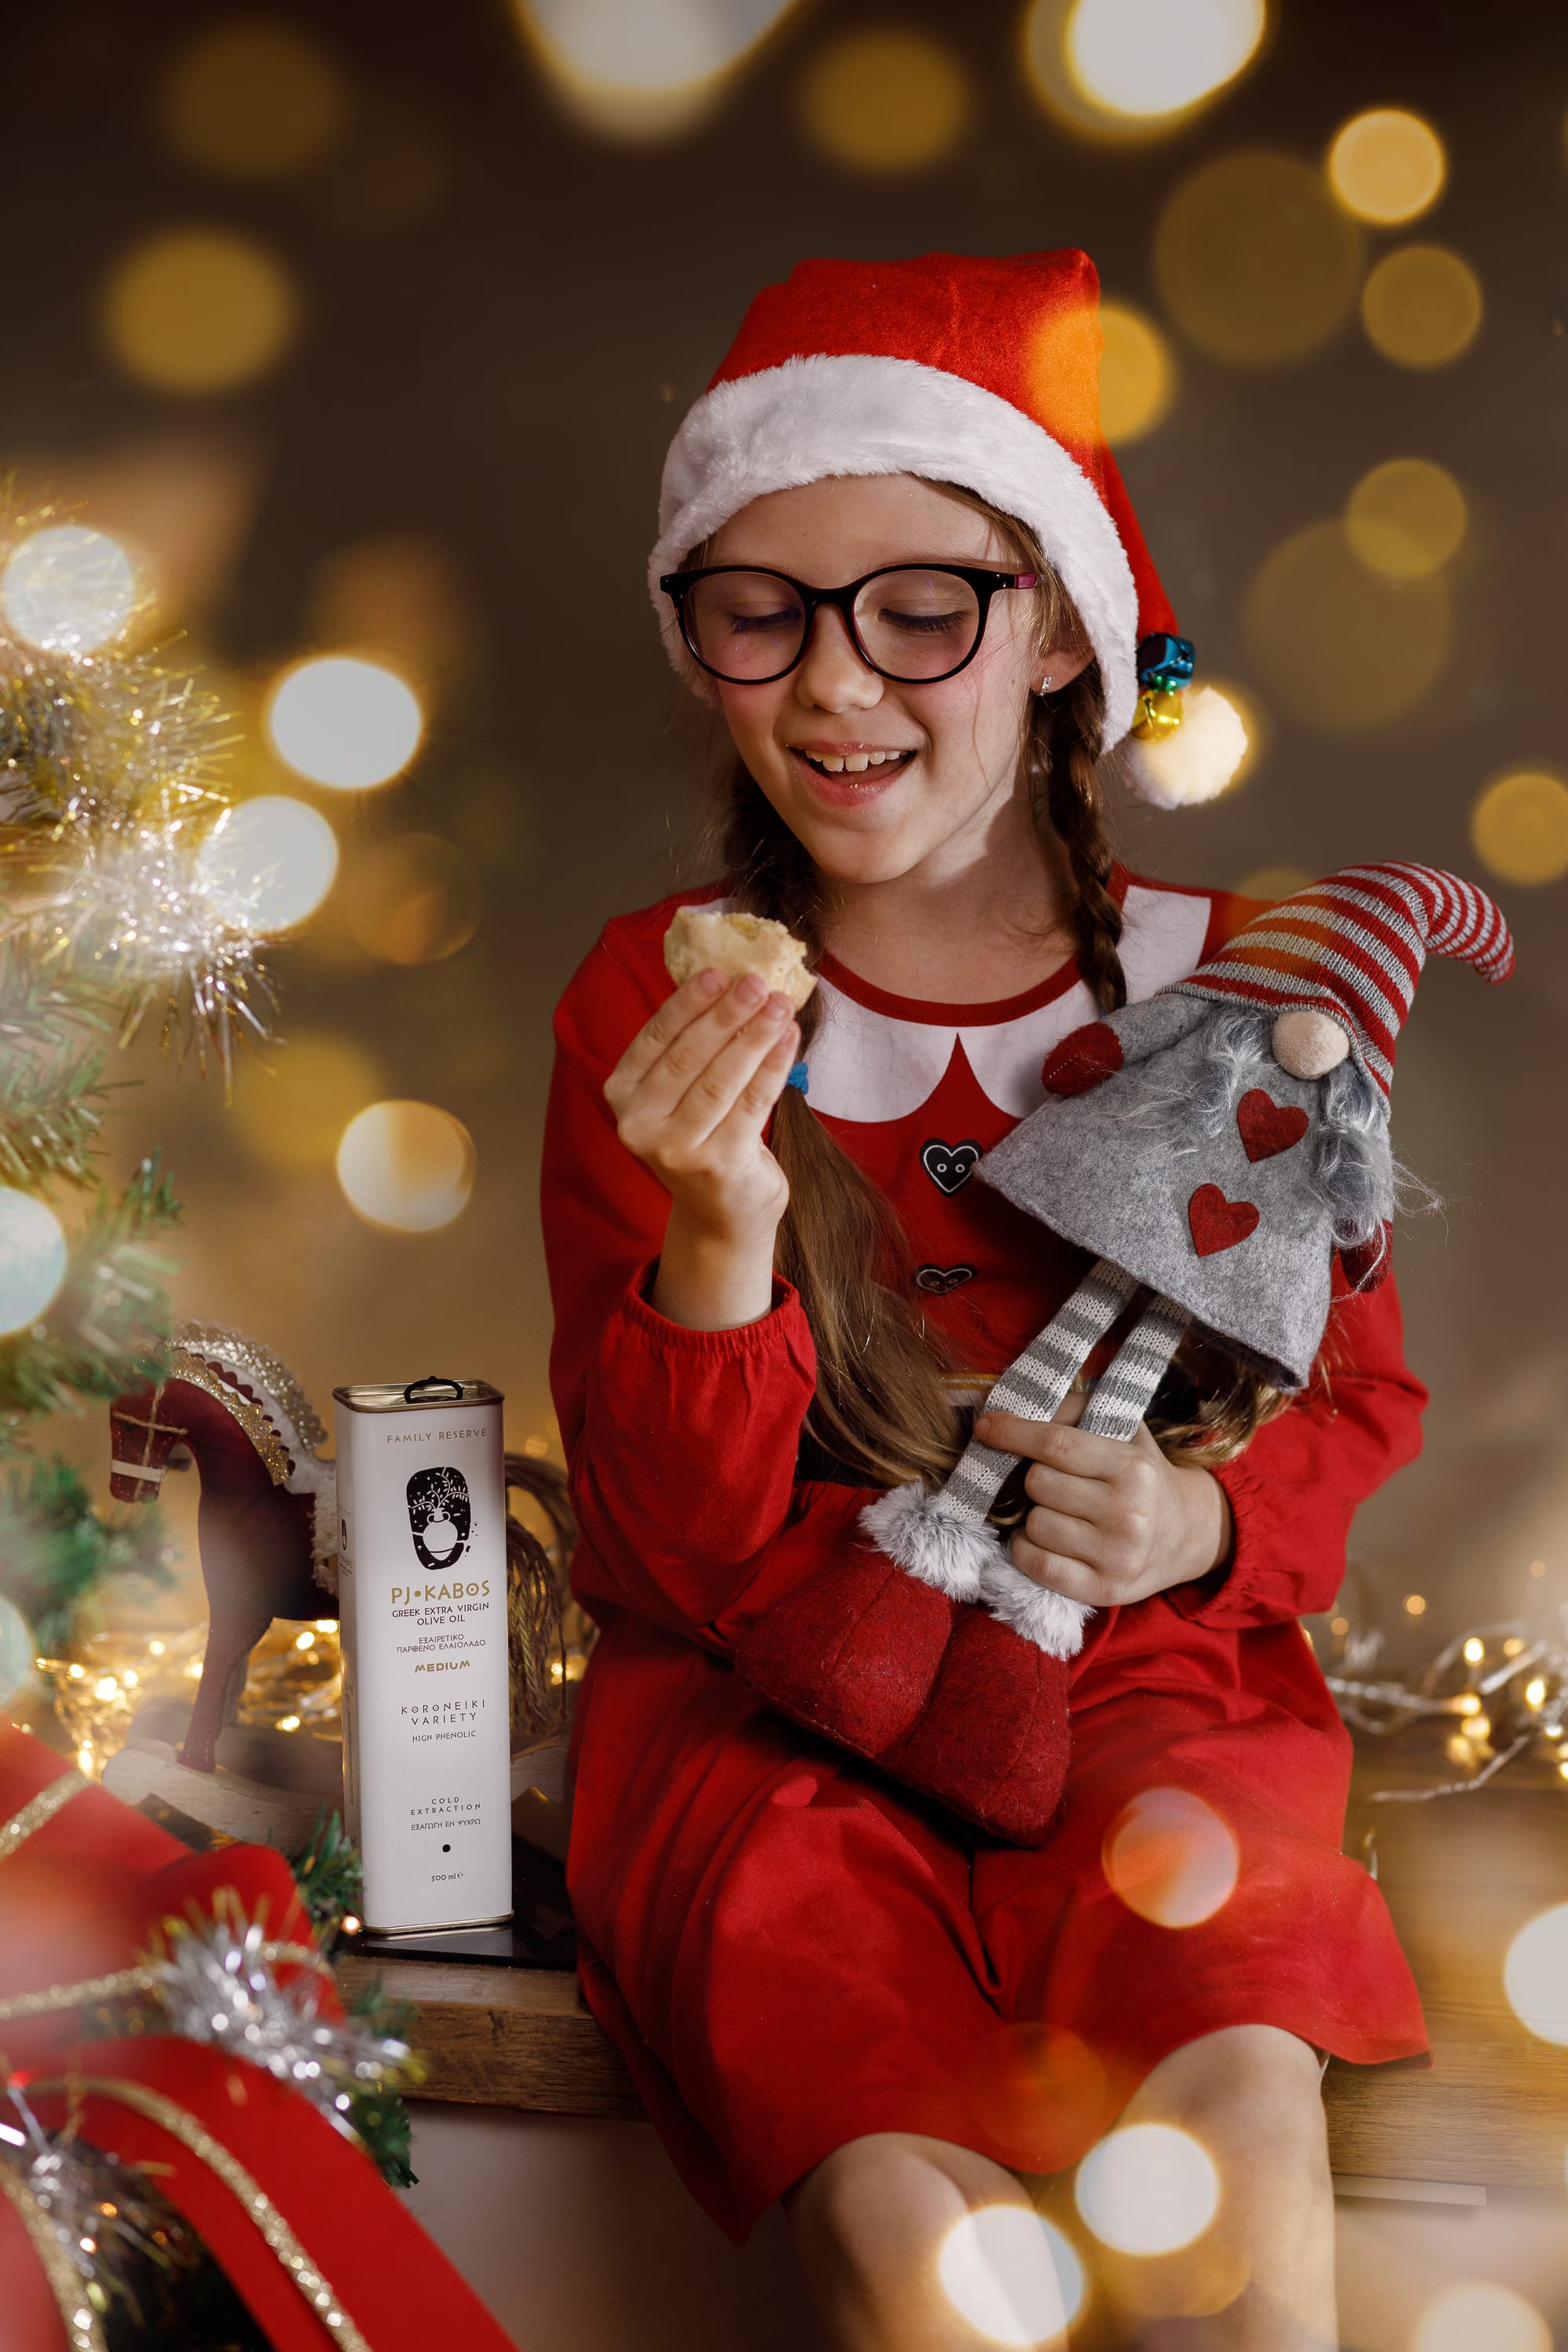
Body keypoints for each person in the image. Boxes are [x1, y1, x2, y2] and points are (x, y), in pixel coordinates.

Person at [542, 252, 1429, 2351]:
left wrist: (1197, 1523)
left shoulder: (1253, 987)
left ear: (1053, 635)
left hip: (1148, 1685)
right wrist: (717, 1234)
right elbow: (673, 1554)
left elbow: (1353, 1407)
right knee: (901, 2216)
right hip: (781, 1716)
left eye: (920, 605)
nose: (835, 688)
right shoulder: (646, 997)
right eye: (761, 607)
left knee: (1232, 2112)